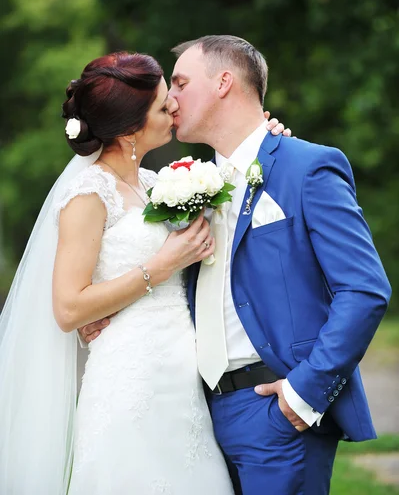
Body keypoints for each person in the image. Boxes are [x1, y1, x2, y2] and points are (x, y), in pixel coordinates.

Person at [84, 35, 391, 495]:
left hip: (276, 411)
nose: (170, 100)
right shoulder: (192, 187)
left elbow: (365, 290)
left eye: (182, 83)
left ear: (224, 82)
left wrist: (304, 391)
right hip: (195, 416)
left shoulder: (306, 167)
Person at [0, 49, 289, 495]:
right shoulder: (88, 194)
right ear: (131, 127)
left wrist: (264, 134)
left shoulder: (160, 186)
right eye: (161, 105)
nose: (174, 106)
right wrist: (160, 266)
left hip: (185, 386)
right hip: (130, 384)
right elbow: (67, 306)